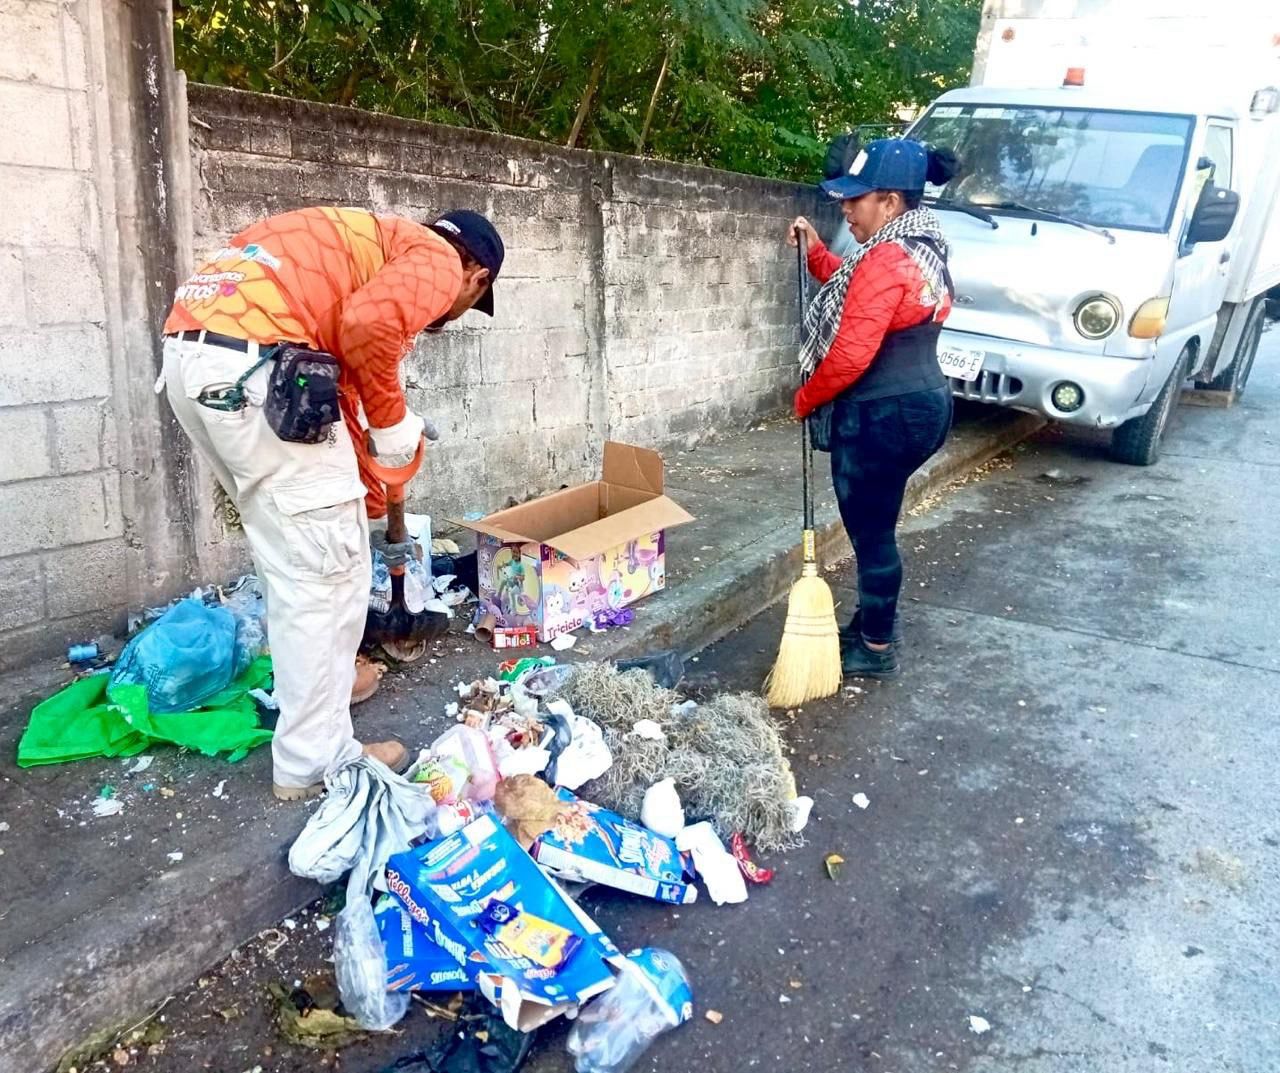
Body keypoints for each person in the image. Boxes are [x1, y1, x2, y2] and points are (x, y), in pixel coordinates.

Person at [161, 206, 504, 799]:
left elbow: (343, 376)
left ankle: (320, 694)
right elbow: (371, 326)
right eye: (472, 300)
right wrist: (395, 425)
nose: (452, 311)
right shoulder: (439, 260)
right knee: (328, 577)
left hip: (201, 361)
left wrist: (370, 489)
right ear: (476, 277)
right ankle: (315, 761)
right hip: (259, 367)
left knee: (297, 565)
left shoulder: (366, 247)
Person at [787, 138, 959, 679]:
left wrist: (804, 399)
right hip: (919, 403)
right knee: (876, 521)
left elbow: (850, 355)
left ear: (888, 202)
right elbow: (856, 290)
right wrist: (817, 251)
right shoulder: (919, 245)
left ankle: (876, 646)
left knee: (872, 530)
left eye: (855, 198)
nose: (845, 207)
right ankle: (870, 624)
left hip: (884, 414)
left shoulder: (887, 256)